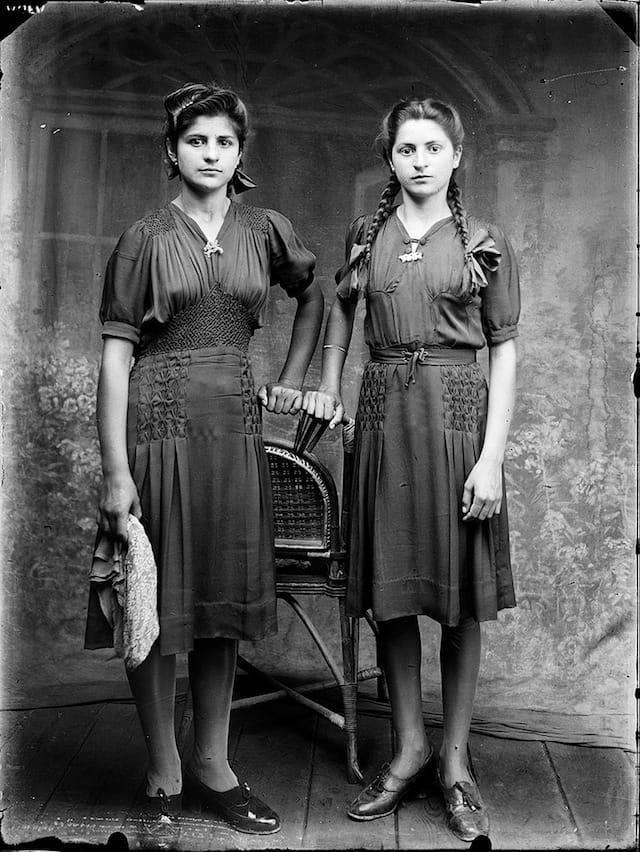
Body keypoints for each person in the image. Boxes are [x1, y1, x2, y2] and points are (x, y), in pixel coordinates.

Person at [85, 82, 323, 839]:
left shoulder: (266, 231)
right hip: (158, 430)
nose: (211, 154)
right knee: (153, 605)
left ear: (240, 153)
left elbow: (315, 296)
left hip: (234, 435)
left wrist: (296, 373)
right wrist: (117, 471)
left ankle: (215, 766)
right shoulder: (143, 239)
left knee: (218, 606)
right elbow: (115, 359)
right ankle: (163, 770)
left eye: (224, 142)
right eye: (196, 141)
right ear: (172, 151)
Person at [303, 96, 519, 843]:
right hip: (385, 421)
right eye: (405, 149)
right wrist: (329, 383)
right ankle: (410, 748)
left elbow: (505, 352)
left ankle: (456, 763)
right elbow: (341, 317)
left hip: (459, 425)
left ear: (457, 157)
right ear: (389, 158)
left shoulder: (486, 240)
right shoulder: (367, 236)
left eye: (433, 148)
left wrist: (491, 459)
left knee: (458, 604)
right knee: (392, 599)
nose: (419, 160)